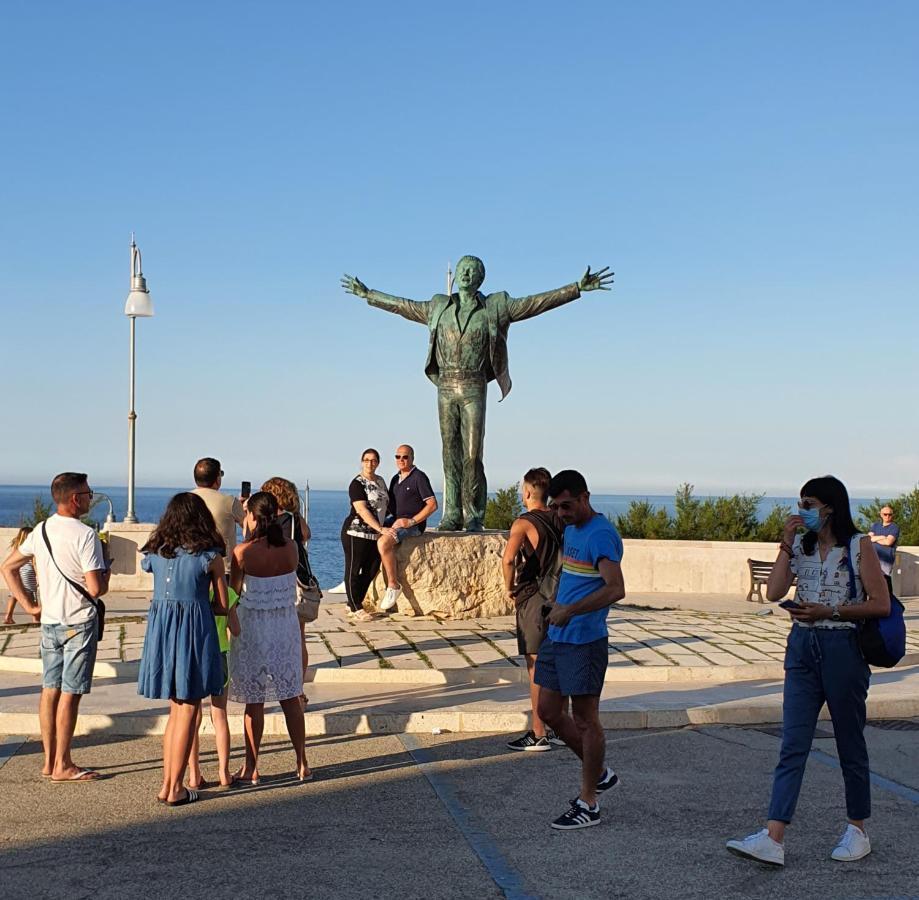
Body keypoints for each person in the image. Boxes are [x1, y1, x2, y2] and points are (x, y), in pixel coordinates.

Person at [342, 256, 613, 530]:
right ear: (457, 274)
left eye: (472, 270)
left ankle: (473, 514)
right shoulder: (439, 306)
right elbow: (403, 306)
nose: (466, 274)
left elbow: (534, 304)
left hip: (474, 385)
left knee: (472, 454)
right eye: (462, 269)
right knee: (449, 452)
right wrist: (369, 295)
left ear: (481, 278)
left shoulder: (495, 307)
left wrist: (575, 288)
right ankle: (452, 514)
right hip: (446, 385)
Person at [726, 475, 891, 867]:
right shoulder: (801, 545)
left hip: (842, 648)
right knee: (792, 743)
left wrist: (829, 611)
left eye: (809, 504)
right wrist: (785, 542)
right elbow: (774, 592)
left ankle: (857, 829)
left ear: (830, 507)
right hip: (802, 646)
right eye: (801, 503)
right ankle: (773, 836)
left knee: (849, 741)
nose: (803, 510)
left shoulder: (858, 546)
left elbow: (880, 603)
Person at [1, 473, 109, 781]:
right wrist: (107, 570)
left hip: (49, 622)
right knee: (71, 694)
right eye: (88, 493)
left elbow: (8, 566)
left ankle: (49, 761)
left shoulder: (41, 529)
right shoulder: (86, 535)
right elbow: (95, 589)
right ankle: (63, 764)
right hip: (78, 621)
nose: (91, 498)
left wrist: (30, 606)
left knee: (49, 690)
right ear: (75, 499)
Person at [535, 470, 625, 830]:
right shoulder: (570, 529)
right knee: (549, 712)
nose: (562, 513)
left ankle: (589, 803)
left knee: (587, 721)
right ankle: (599, 771)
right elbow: (573, 575)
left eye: (567, 505)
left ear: (585, 497)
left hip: (585, 640)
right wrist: (556, 603)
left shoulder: (601, 534)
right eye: (556, 507)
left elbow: (615, 589)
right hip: (558, 637)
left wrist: (570, 610)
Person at [137, 492, 230, 806]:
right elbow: (221, 604)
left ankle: (168, 783)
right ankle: (175, 788)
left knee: (176, 709)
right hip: (193, 631)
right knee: (190, 708)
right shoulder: (209, 556)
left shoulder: (156, 553)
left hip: (162, 633)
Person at [229, 491, 311, 783]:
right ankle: (302, 762)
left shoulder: (243, 552)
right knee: (291, 697)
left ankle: (252, 766)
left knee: (255, 701)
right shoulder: (291, 548)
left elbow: (234, 592)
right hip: (284, 627)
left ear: (252, 516)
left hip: (254, 628)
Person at [503, 468, 566, 752]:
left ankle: (538, 732)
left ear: (527, 492)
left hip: (533, 597)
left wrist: (509, 587)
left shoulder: (524, 523)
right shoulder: (560, 518)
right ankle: (560, 727)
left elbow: (508, 560)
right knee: (558, 665)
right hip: (561, 597)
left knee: (536, 668)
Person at [261, 476, 313, 700]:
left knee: (272, 636)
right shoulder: (294, 519)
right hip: (295, 580)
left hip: (274, 581)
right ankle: (298, 690)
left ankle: (276, 684)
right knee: (298, 636)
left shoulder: (266, 520)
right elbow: (307, 535)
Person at [187, 583, 240, 790]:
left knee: (193, 717)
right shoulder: (227, 593)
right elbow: (236, 630)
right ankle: (224, 773)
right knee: (219, 716)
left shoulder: (194, 591)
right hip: (219, 654)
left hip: (197, 656)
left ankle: (194, 774)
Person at [377, 444, 438, 612]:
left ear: (412, 458)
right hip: (394, 520)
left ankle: (393, 585)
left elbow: (432, 505)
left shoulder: (419, 477)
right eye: (398, 457)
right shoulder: (395, 479)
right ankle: (354, 579)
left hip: (412, 526)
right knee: (364, 534)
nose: (401, 460)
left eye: (405, 457)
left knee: (383, 543)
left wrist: (410, 521)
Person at [341, 449, 390, 622]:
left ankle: (352, 602)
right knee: (353, 569)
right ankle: (356, 608)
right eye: (367, 460)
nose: (370, 463)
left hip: (374, 535)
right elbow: (361, 509)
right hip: (356, 532)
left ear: (378, 462)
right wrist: (379, 527)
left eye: (374, 460)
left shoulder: (381, 482)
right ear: (362, 462)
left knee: (372, 569)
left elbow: (386, 506)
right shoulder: (357, 484)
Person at [191, 457, 245, 565]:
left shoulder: (184, 501)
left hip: (193, 566)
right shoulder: (229, 501)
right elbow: (249, 526)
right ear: (217, 478)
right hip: (223, 567)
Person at [4, 527, 40, 624]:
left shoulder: (17, 547)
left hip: (18, 571)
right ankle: (36, 618)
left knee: (15, 594)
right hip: (28, 573)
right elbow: (34, 563)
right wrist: (38, 576)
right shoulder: (30, 548)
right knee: (32, 595)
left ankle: (8, 615)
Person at [868, 506, 899, 594]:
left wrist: (875, 538)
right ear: (881, 515)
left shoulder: (894, 527)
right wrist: (882, 537)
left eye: (890, 514)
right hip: (873, 557)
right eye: (885, 514)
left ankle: (890, 603)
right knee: (872, 582)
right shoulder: (876, 525)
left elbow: (888, 542)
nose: (887, 516)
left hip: (886, 560)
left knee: (885, 581)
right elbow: (868, 538)